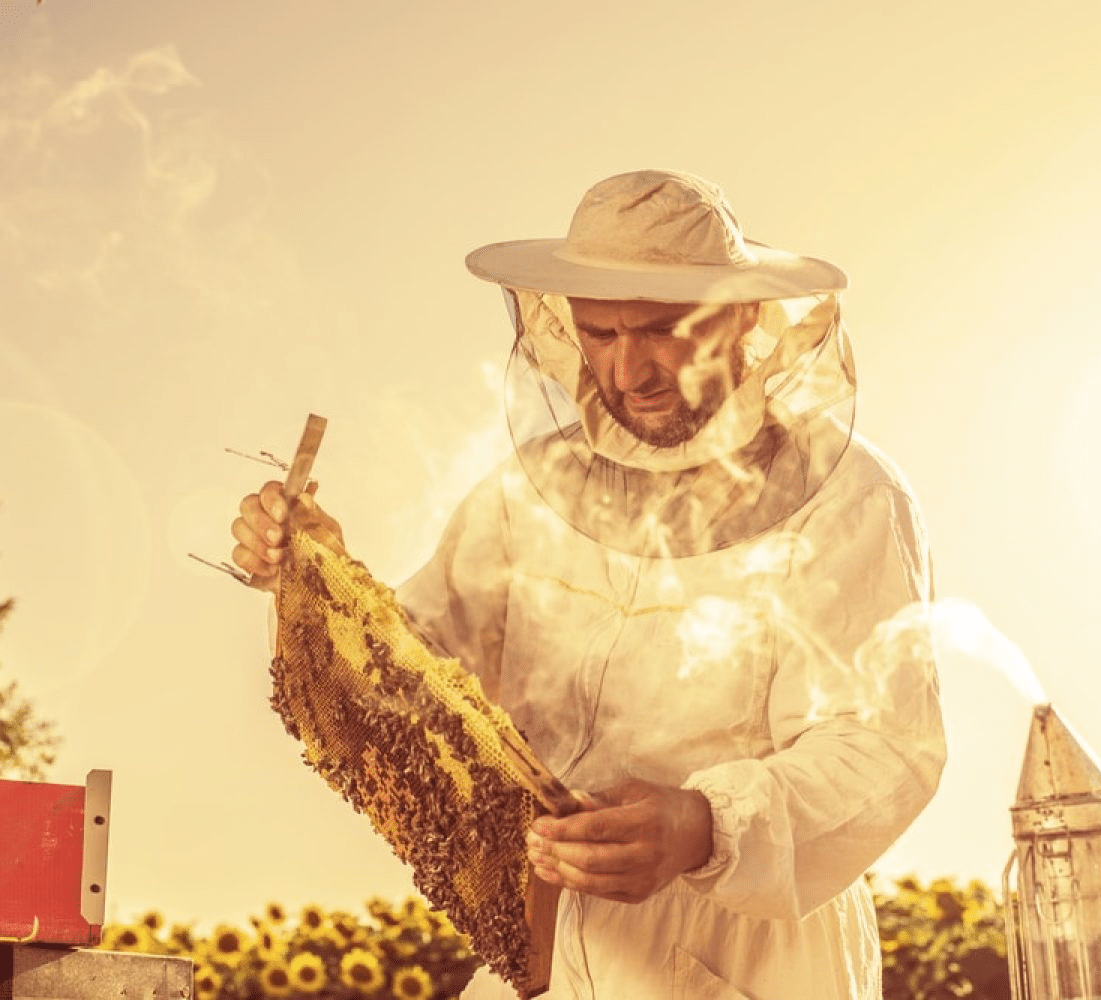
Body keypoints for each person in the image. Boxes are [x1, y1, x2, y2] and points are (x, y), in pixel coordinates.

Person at [231, 169, 946, 999]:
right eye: (600, 333)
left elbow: (881, 749)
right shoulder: (534, 483)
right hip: (541, 937)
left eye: (661, 331)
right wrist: (321, 579)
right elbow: (421, 680)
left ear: (743, 316)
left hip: (747, 952)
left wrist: (703, 825)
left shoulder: (848, 495)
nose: (628, 368)